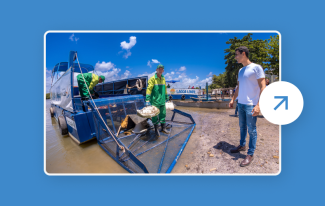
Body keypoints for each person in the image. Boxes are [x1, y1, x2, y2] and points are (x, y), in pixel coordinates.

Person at [229, 46, 266, 167]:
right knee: (242, 127)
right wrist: (233, 99)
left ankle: (250, 154)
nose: (235, 57)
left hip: (251, 105)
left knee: (252, 130)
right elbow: (238, 87)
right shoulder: (240, 70)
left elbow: (263, 86)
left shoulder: (256, 68)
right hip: (241, 103)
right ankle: (242, 145)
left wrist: (259, 105)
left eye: (237, 54)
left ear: (243, 54)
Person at [145, 64, 170, 137]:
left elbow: (165, 88)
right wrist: (147, 100)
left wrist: (166, 96)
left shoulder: (163, 78)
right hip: (155, 101)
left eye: (162, 69)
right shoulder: (152, 79)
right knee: (155, 116)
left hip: (162, 101)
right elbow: (149, 89)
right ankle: (156, 130)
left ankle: (163, 128)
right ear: (156, 70)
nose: (160, 70)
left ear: (163, 70)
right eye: (159, 69)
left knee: (163, 115)